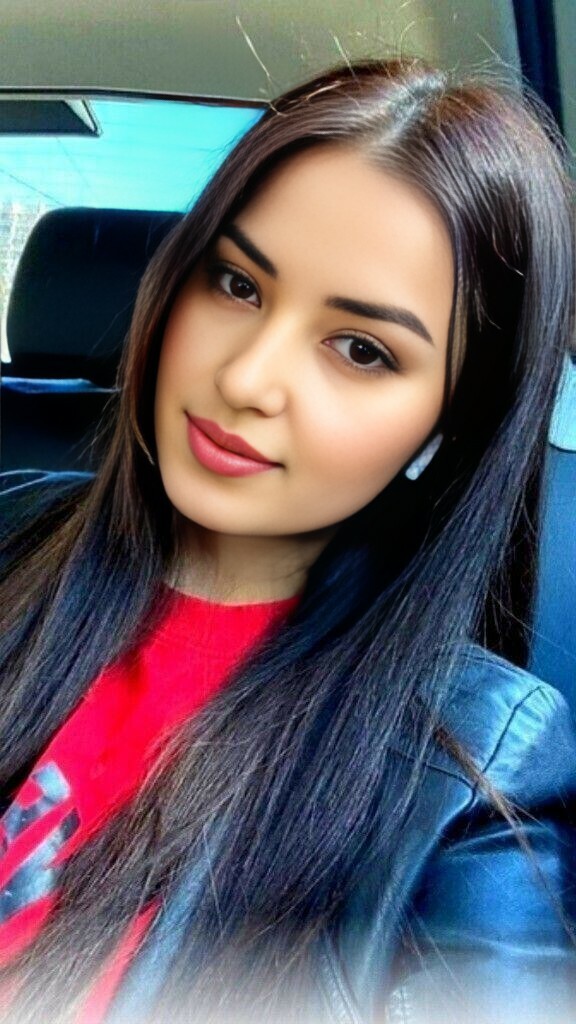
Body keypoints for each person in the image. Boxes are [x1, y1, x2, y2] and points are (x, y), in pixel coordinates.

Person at [0, 58, 575, 1024]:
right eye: (236, 283)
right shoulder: (16, 534)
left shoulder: (476, 785)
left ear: (449, 423)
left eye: (362, 350)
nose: (246, 379)